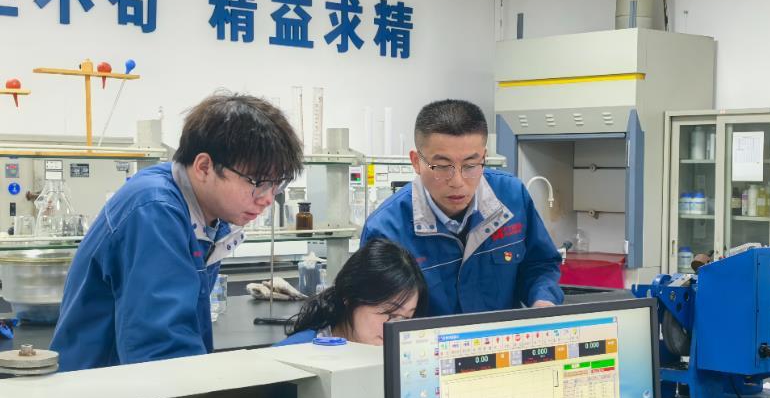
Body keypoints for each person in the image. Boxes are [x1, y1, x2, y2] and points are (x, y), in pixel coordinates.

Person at [51, 93, 303, 371]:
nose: (268, 199)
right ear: (204, 167)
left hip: (128, 381)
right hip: (99, 386)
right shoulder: (154, 210)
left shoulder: (206, 215)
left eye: (277, 184)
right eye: (258, 182)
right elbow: (161, 349)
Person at [361, 99, 563, 316]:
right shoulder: (386, 229)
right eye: (442, 166)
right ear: (416, 161)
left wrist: (543, 300)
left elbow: (539, 264)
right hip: (426, 339)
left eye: (470, 165)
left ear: (484, 158)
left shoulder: (512, 197)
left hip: (500, 337)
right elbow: (375, 315)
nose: (457, 181)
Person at [278, 238, 427, 346]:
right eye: (390, 314)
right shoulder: (295, 353)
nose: (397, 330)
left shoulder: (402, 357)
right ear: (349, 296)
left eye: (406, 318)